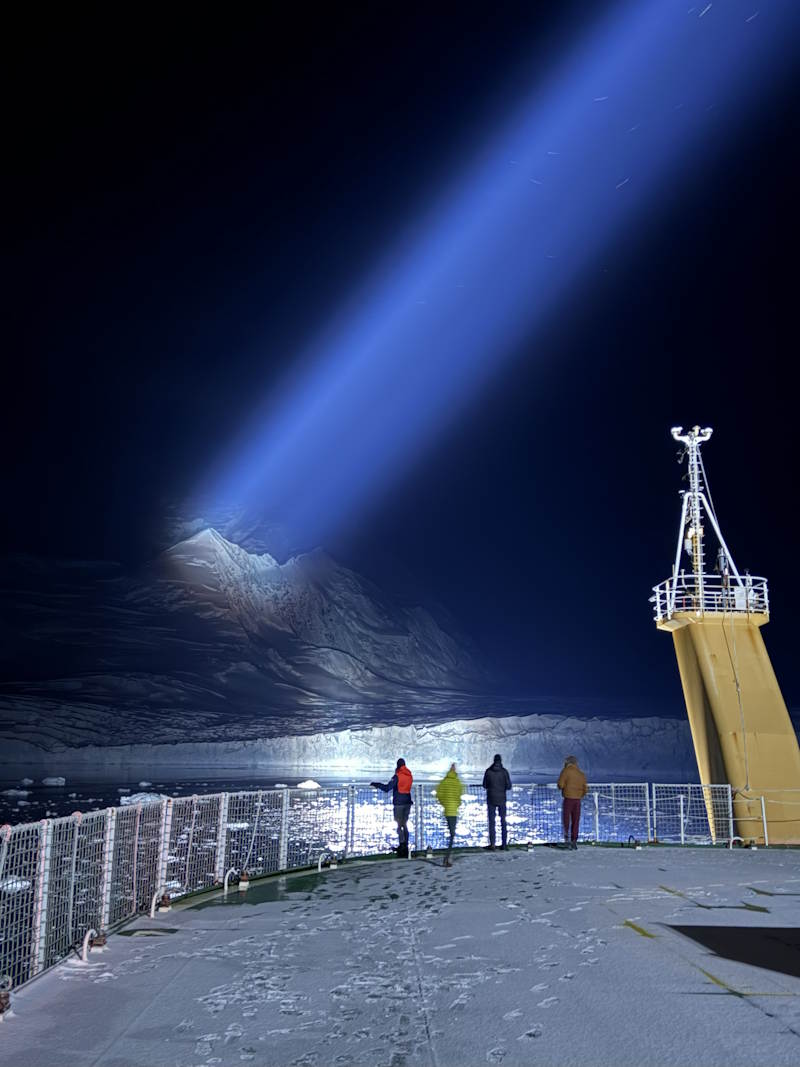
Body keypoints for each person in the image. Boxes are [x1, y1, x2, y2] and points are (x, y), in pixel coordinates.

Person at [371, 758, 413, 857]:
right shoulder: (410, 775)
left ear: (398, 766)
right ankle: (405, 845)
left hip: (399, 803)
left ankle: (402, 846)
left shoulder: (397, 776)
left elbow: (387, 788)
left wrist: (376, 784)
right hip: (407, 802)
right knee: (405, 824)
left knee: (399, 825)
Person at [435, 763, 464, 867]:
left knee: (451, 834)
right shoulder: (457, 782)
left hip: (447, 810)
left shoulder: (444, 782)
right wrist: (457, 803)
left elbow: (438, 793)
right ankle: (447, 857)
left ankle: (447, 856)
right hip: (453, 811)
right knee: (452, 835)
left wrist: (444, 803)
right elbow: (460, 793)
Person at [557, 755, 588, 849]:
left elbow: (560, 785)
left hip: (568, 799)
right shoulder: (581, 773)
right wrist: (579, 795)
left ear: (567, 762)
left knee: (566, 819)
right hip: (577, 800)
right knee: (576, 820)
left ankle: (567, 839)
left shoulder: (565, 771)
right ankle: (574, 840)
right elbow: (585, 788)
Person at [482, 753, 511, 850]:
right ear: (500, 761)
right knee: (503, 821)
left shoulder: (488, 771)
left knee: (492, 822)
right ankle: (504, 844)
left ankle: (493, 844)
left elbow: (484, 785)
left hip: (491, 799)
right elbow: (509, 786)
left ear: (494, 761)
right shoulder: (504, 772)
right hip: (502, 799)